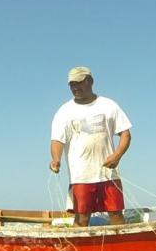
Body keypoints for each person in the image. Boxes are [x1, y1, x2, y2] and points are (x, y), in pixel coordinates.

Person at [49, 66, 132, 227]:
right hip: (81, 175)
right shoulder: (64, 111)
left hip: (109, 173)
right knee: (82, 218)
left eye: (79, 83)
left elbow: (125, 134)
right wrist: (55, 159)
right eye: (72, 84)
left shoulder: (109, 105)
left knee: (116, 214)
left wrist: (117, 155)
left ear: (90, 81)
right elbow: (57, 140)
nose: (75, 88)